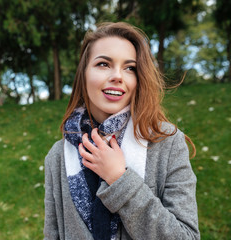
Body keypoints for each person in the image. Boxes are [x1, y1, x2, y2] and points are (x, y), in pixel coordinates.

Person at [44, 22, 200, 240]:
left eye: (129, 68)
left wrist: (119, 180)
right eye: (103, 64)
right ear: (84, 74)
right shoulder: (57, 157)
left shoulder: (167, 142)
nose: (118, 76)